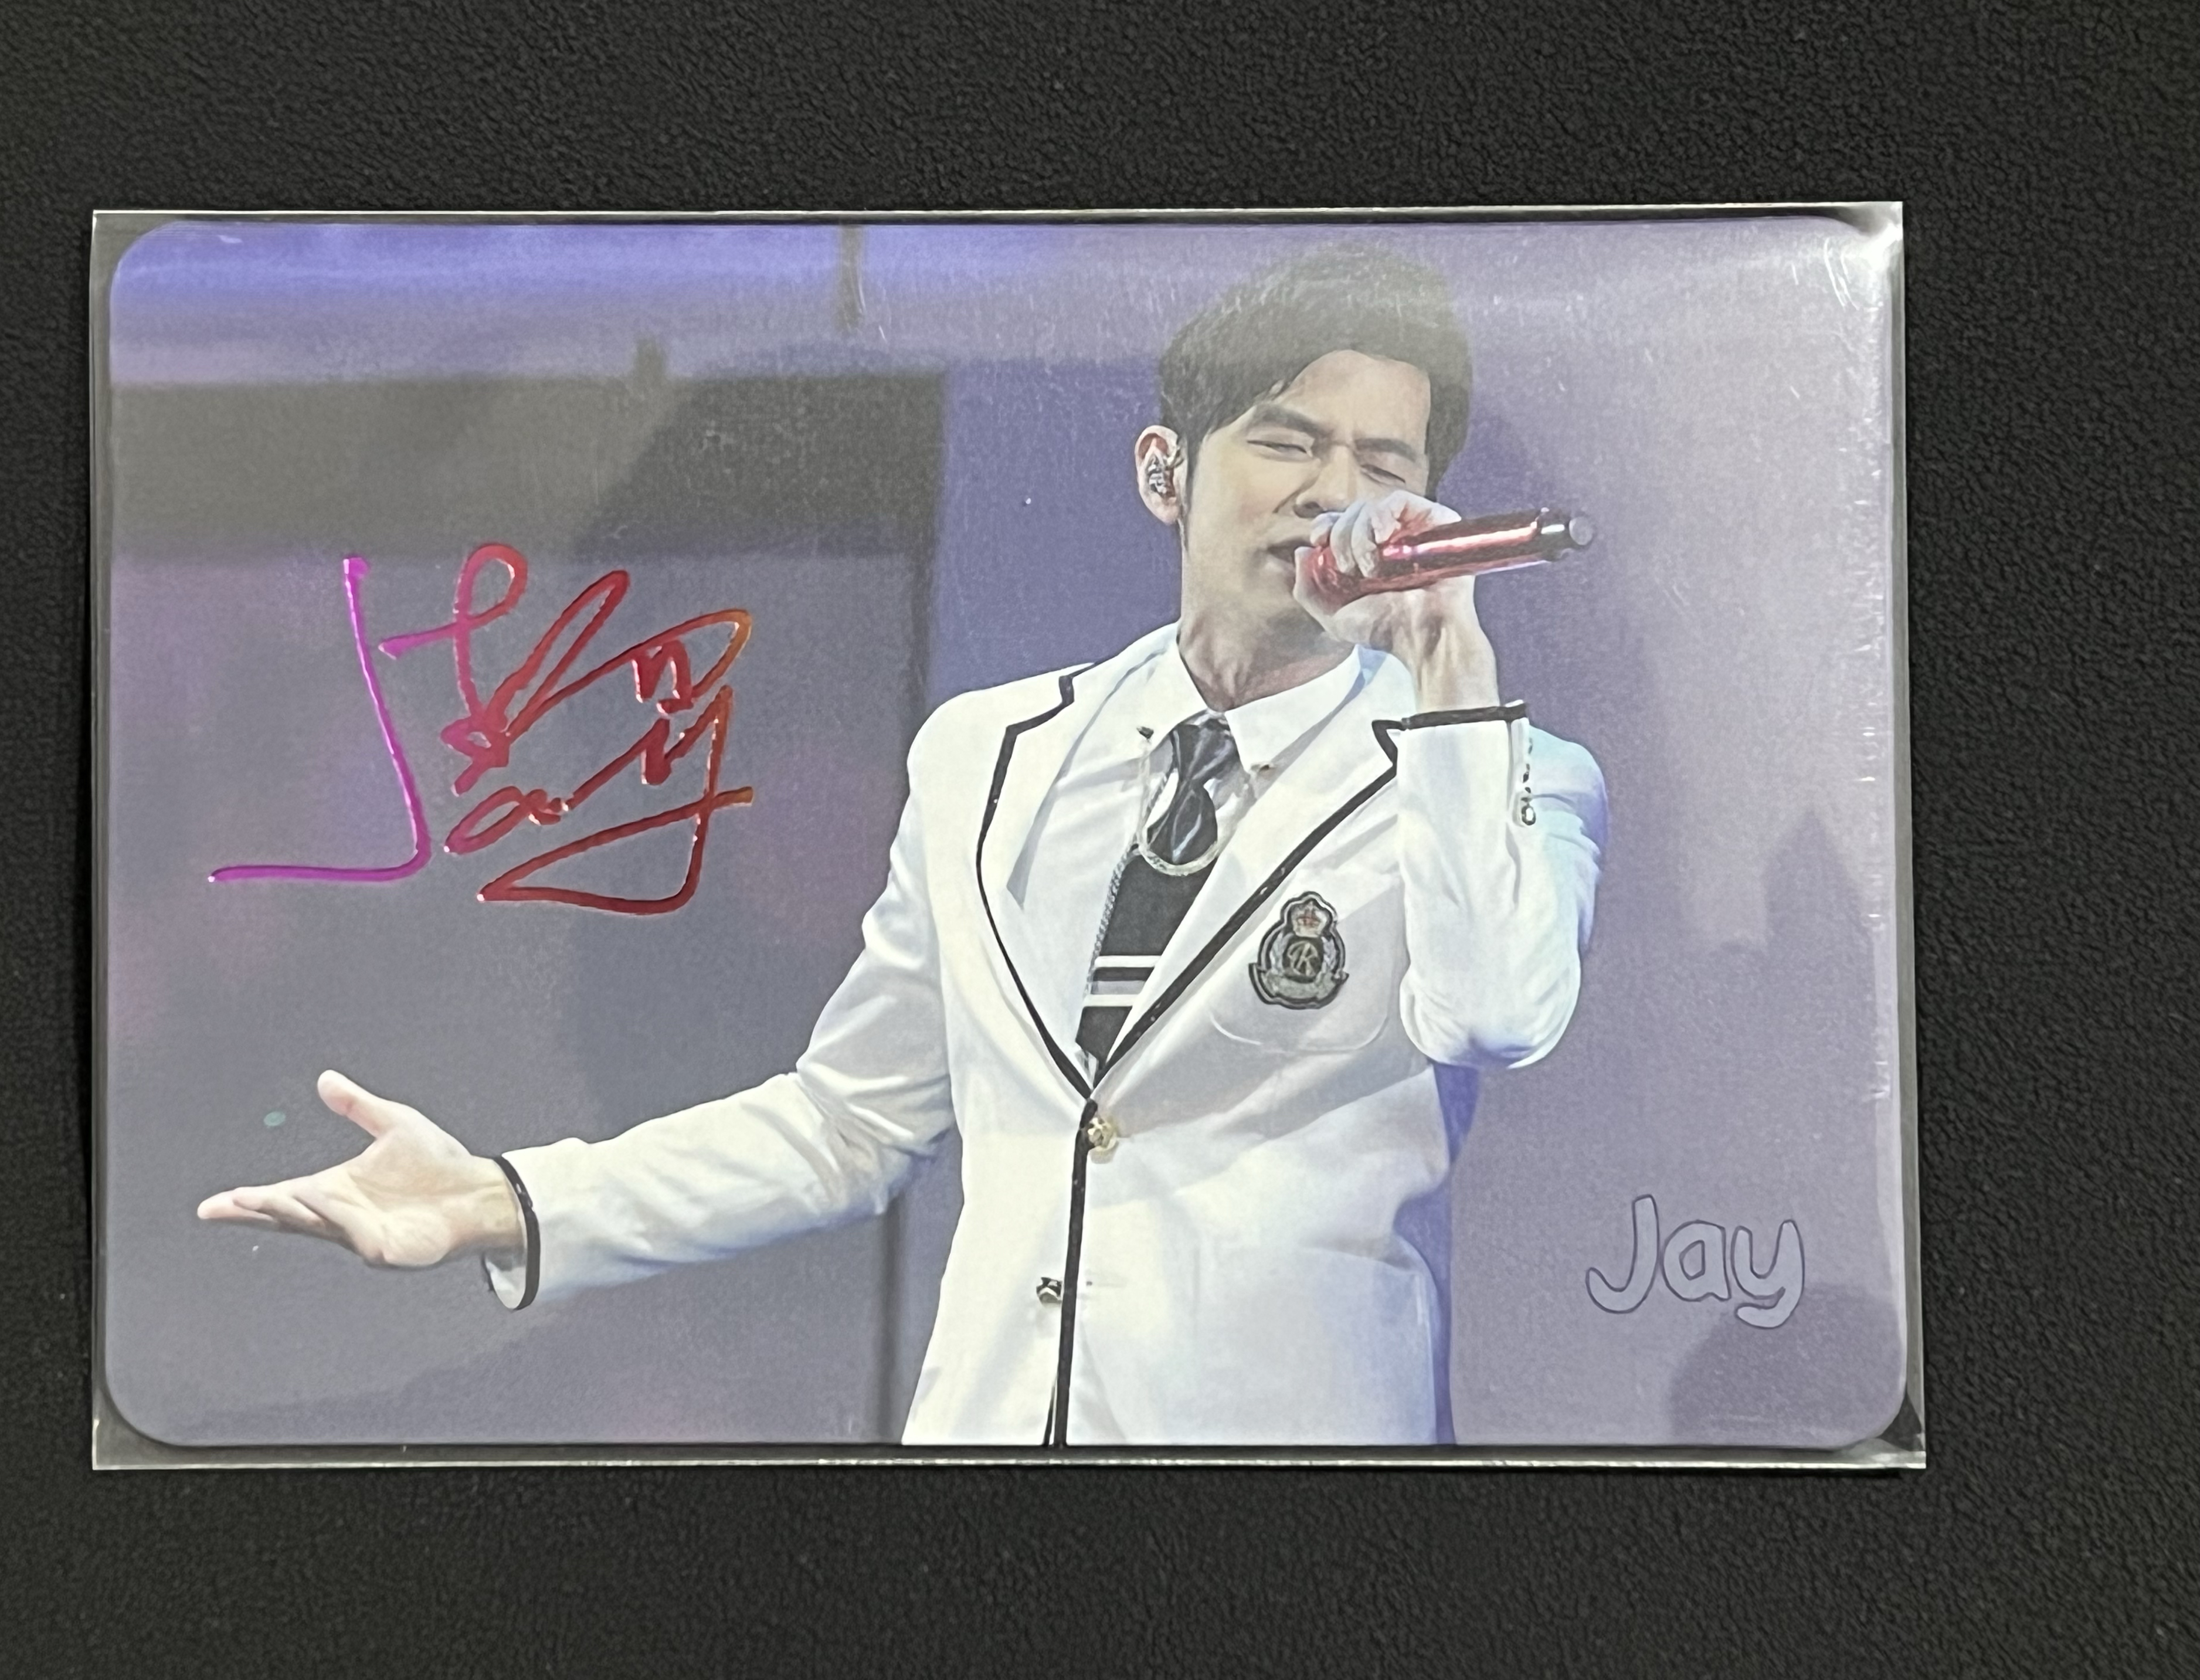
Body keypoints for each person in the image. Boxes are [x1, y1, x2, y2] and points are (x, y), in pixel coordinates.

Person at [199, 245, 1608, 1447]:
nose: (1332, 497)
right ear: (1166, 473)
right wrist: (504, 1201)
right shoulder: (989, 753)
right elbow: (848, 1123)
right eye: (1288, 443)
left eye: (1384, 465)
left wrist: (1447, 665)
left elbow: (1496, 1013)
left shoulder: (1509, 777)